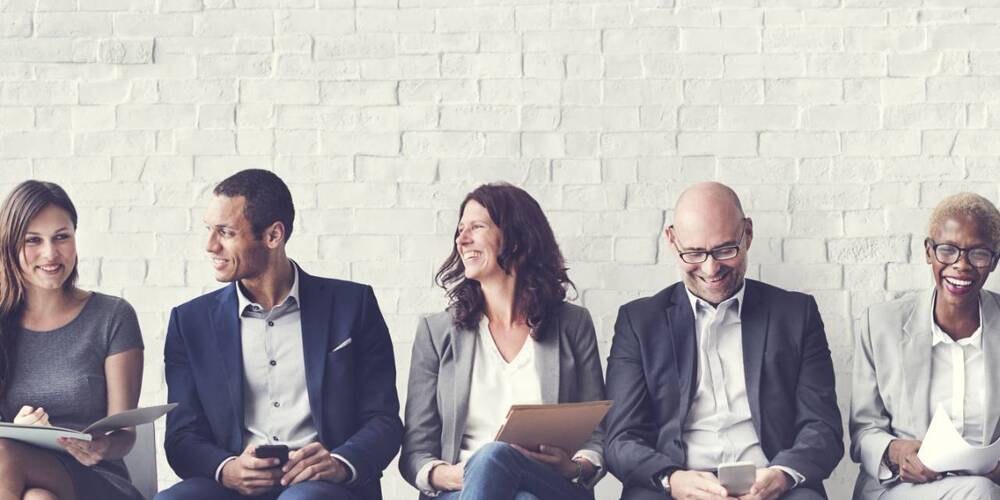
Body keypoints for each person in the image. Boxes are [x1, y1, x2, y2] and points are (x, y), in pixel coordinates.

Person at [155, 169, 402, 500]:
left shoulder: (352, 306)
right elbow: (181, 435)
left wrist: (340, 463)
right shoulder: (190, 322)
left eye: (225, 232)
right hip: (232, 488)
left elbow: (383, 420)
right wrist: (226, 468)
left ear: (273, 235)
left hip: (322, 487)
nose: (210, 246)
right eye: (209, 230)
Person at [604, 182, 844, 500]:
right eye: (693, 253)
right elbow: (620, 438)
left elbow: (823, 427)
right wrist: (671, 479)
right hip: (675, 485)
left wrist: (781, 476)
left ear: (747, 233)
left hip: (773, 482)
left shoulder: (796, 314)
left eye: (725, 250)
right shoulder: (639, 322)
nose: (710, 267)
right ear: (672, 240)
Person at [399, 183, 607, 500]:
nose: (462, 239)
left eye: (477, 227)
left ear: (517, 237)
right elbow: (416, 451)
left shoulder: (572, 325)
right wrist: (457, 474)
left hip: (550, 485)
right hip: (461, 490)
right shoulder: (437, 331)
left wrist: (575, 466)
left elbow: (598, 431)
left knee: (497, 458)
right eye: (459, 230)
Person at [0, 180, 144, 500]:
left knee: (3, 454)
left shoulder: (112, 316)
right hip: (23, 476)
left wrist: (101, 445)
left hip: (99, 479)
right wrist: (20, 428)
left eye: (61, 237)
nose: (50, 254)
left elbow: (126, 434)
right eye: (33, 240)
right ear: (10, 246)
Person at [851, 192, 1000, 499]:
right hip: (903, 488)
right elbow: (863, 432)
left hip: (989, 485)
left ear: (995, 260)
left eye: (979, 254)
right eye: (947, 250)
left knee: (982, 489)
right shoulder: (881, 325)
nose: (961, 265)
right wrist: (895, 451)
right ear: (928, 252)